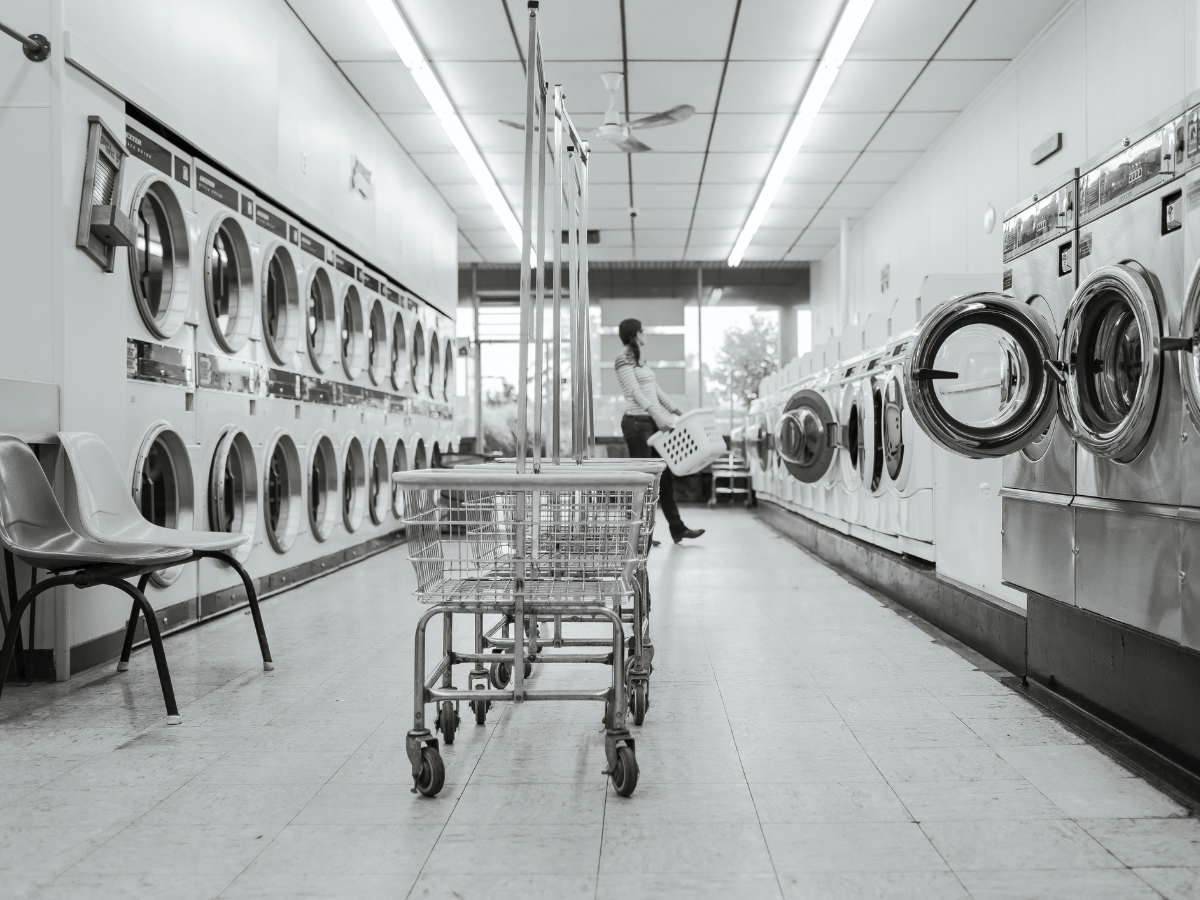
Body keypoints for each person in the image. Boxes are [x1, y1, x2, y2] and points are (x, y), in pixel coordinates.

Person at [614, 318, 704, 544]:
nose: (645, 334)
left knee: (665, 478)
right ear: (635, 334)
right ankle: (637, 535)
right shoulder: (622, 359)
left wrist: (678, 412)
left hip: (651, 423)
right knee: (642, 481)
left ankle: (678, 528)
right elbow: (635, 392)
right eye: (642, 331)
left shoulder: (641, 361)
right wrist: (657, 415)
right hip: (636, 423)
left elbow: (656, 391)